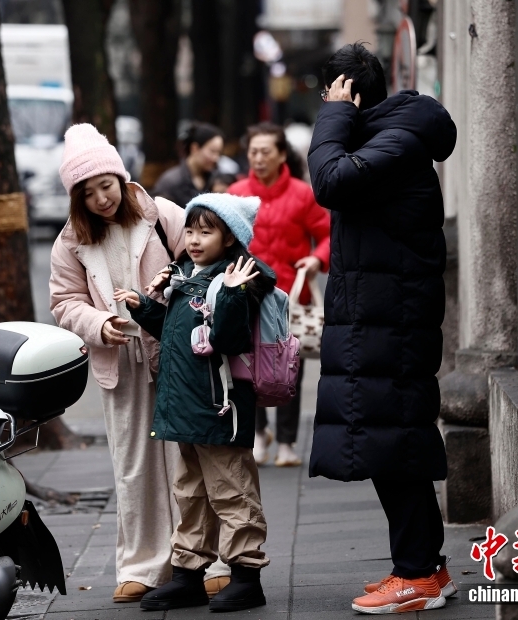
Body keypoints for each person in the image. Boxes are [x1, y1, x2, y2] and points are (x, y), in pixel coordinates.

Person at [306, 43, 457, 614]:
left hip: (392, 319)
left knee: (395, 442)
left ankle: (417, 574)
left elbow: (329, 181)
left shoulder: (396, 141)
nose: (325, 103)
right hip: (377, 313)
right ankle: (423, 567)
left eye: (329, 93)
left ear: (346, 90)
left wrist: (332, 118)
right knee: (392, 438)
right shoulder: (384, 137)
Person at [49, 124, 228, 603]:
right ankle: (144, 565)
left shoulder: (160, 214)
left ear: (119, 177)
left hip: (177, 357)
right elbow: (64, 301)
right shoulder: (69, 242)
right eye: (87, 193)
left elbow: (203, 259)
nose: (101, 199)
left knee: (190, 459)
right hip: (119, 364)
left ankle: (210, 559)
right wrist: (97, 322)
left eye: (105, 185)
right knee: (134, 466)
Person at [114, 193, 273, 613]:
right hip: (185, 405)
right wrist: (144, 307)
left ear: (230, 238)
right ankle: (187, 575)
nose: (195, 238)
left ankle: (246, 575)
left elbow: (228, 341)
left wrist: (236, 294)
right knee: (189, 493)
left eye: (207, 230)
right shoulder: (188, 273)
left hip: (221, 408)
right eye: (190, 229)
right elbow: (176, 333)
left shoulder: (237, 278)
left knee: (232, 491)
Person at [229, 123, 330, 467]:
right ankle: (258, 435)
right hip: (245, 296)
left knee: (290, 370)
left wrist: (317, 258)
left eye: (265, 152)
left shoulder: (303, 194)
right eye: (253, 152)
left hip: (290, 298)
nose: (258, 159)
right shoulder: (236, 194)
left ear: (282, 154)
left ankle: (286, 442)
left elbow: (328, 234)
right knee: (247, 368)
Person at [153, 122, 224, 206]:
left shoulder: (216, 179)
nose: (216, 158)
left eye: (218, 153)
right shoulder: (170, 182)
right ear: (195, 148)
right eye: (212, 151)